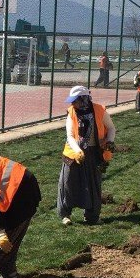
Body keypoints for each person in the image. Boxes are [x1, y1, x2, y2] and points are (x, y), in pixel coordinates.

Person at [57, 85, 116, 226]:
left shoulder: (100, 110)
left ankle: (92, 216)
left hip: (94, 153)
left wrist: (110, 141)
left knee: (93, 184)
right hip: (74, 152)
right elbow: (70, 135)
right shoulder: (72, 112)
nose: (72, 103)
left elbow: (112, 128)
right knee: (67, 183)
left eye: (75, 100)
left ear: (84, 99)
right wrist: (77, 151)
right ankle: (65, 215)